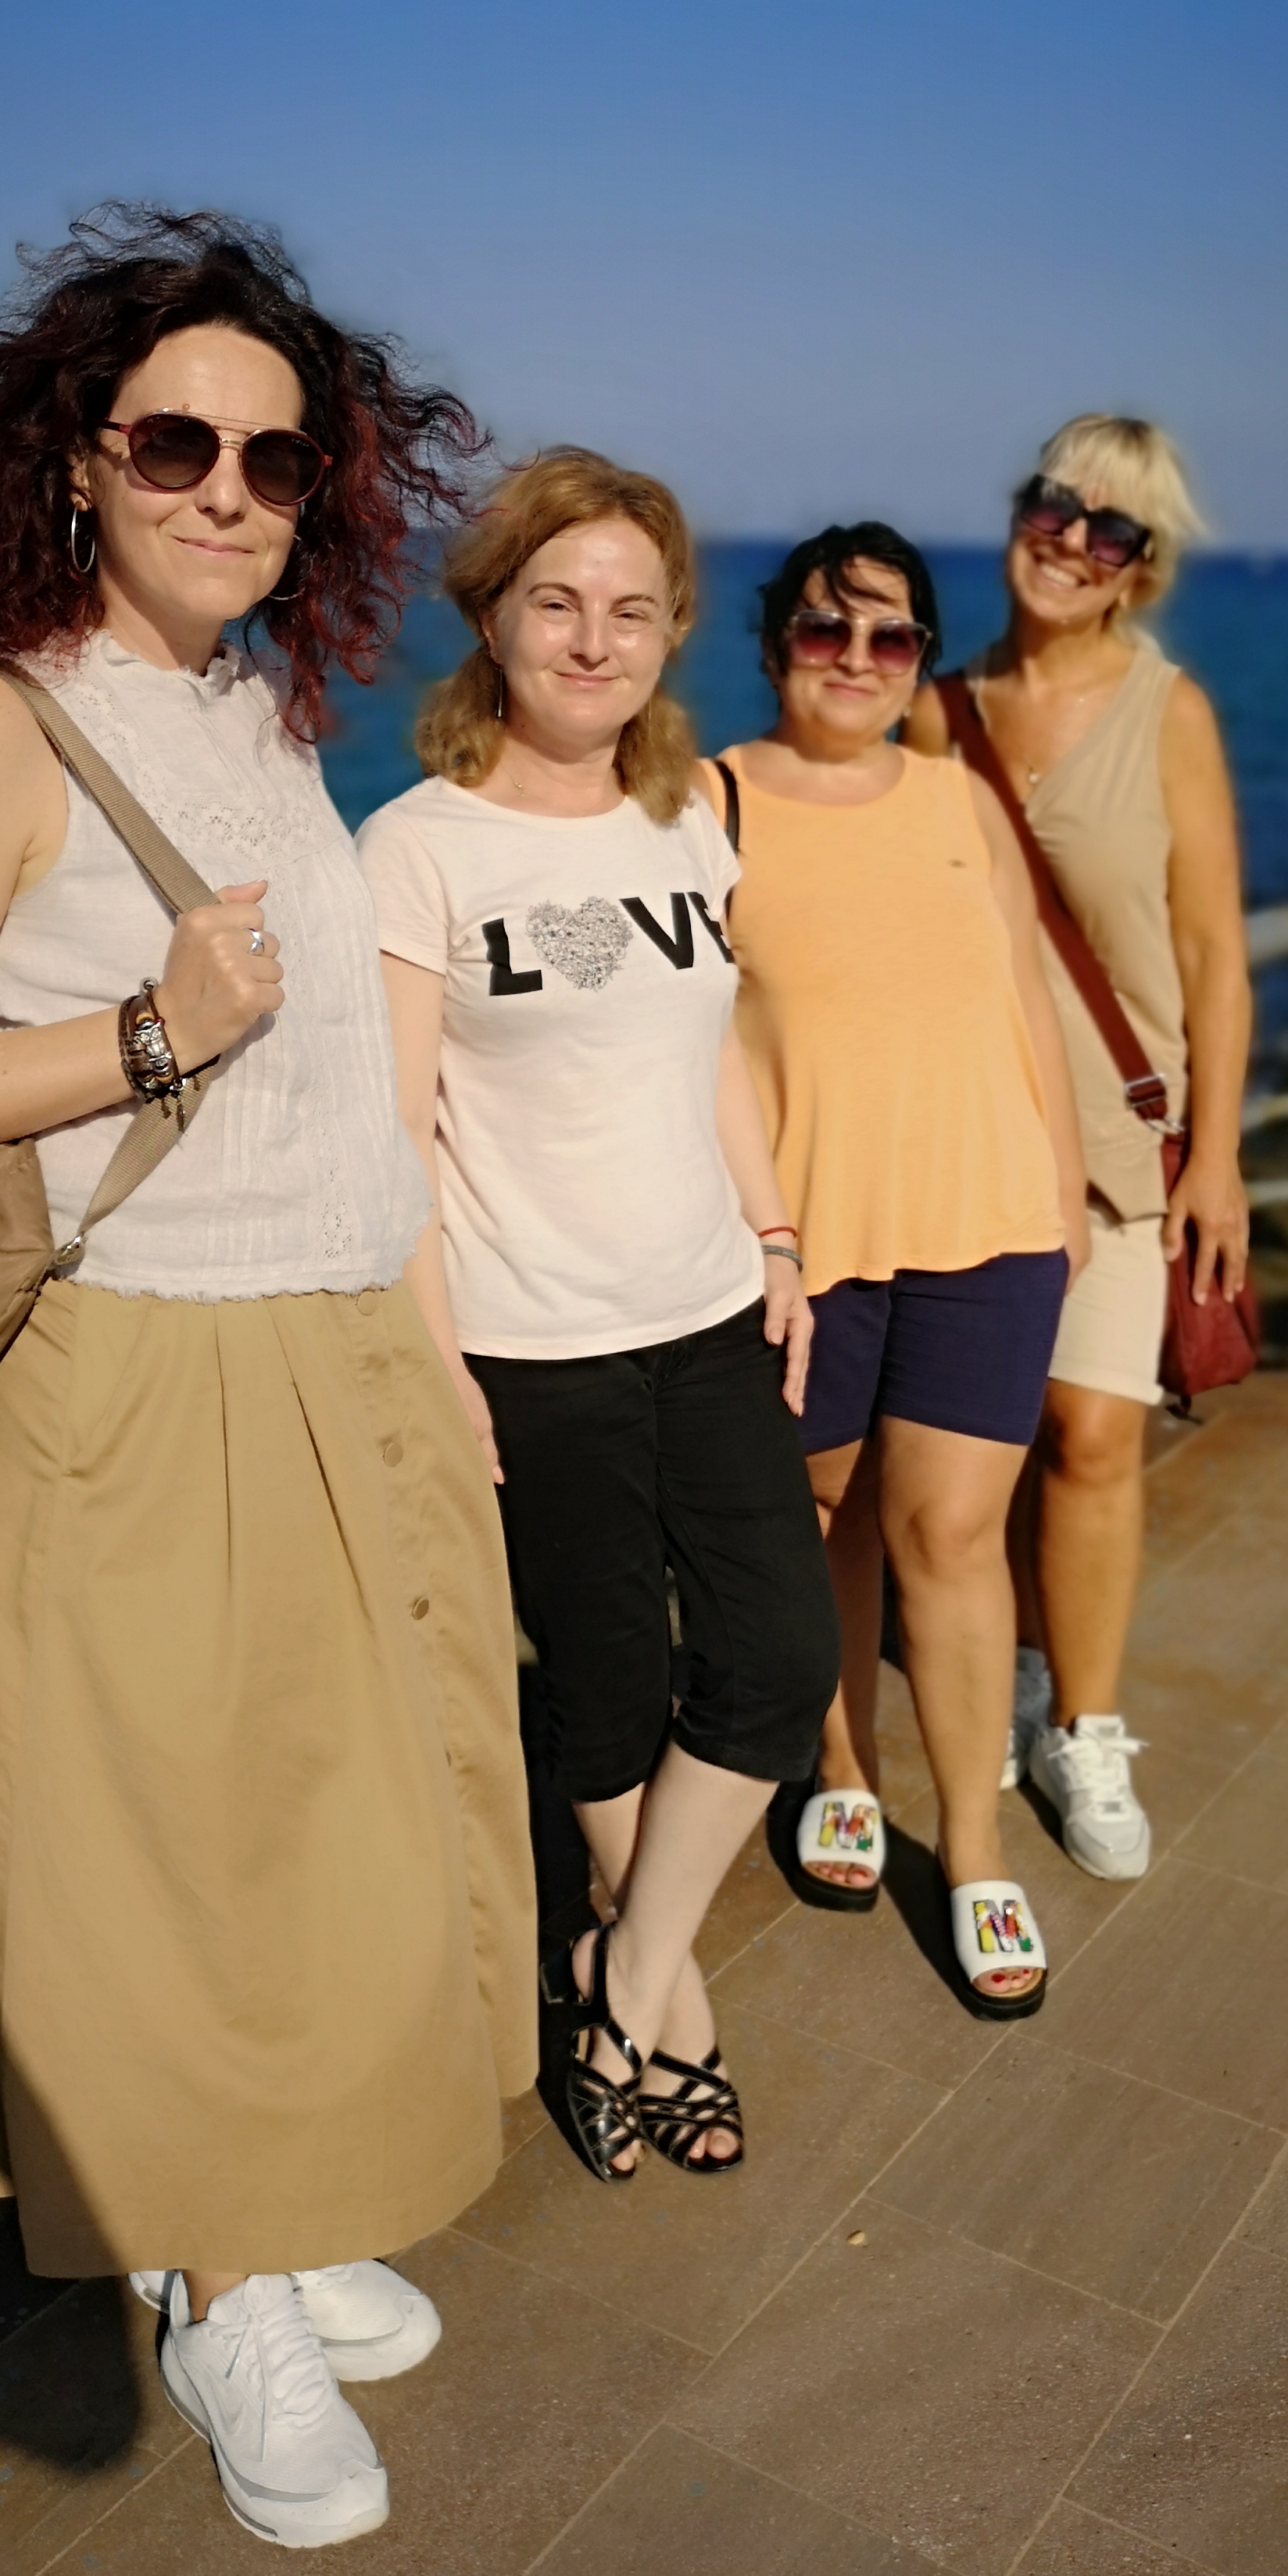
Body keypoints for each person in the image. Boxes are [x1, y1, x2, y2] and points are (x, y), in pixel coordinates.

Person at [0, 209, 535, 2551]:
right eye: (176, 442)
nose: (227, 489)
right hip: (125, 1381)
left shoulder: (256, 708)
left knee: (318, 1832)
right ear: (76, 459)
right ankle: (216, 2287)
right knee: (167, 1865)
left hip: (319, 1344)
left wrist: (412, 1327)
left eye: (276, 458)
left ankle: (272, 2211)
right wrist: (137, 1034)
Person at [360, 449, 839, 2180]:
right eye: (555, 601)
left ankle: (620, 1975)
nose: (592, 639)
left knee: (779, 1659)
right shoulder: (413, 849)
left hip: (708, 1310)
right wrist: (436, 1360)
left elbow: (709, 1054)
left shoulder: (688, 814)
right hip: (526, 1342)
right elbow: (397, 1139)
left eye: (631, 610)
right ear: (490, 615)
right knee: (607, 1691)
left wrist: (776, 1238)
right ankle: (670, 2014)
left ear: (672, 631)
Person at [708, 525, 1089, 2018]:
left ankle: (977, 1853)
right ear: (774, 645)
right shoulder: (709, 802)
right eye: (826, 629)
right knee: (828, 1516)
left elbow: (1031, 1003)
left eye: (891, 637)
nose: (857, 661)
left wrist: (1061, 1198)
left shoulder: (957, 799)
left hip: (989, 1225)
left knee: (952, 1532)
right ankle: (845, 1770)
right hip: (806, 1240)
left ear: (922, 659)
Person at [908, 416, 1250, 1881]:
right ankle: (1003, 1669)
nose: (1071, 542)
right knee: (986, 1434)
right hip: (972, 1130)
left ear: (1141, 569)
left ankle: (1083, 1721)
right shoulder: (936, 712)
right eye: (1055, 506)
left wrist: (1218, 1157)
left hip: (1124, 1140)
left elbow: (1214, 955)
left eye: (1111, 530)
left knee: (1096, 1434)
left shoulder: (1170, 714)